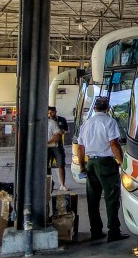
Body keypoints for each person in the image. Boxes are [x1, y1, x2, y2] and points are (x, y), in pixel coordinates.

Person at [77, 97, 129, 242]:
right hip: (105, 163)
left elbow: (81, 147)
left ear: (94, 108)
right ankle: (113, 231)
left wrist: (82, 166)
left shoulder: (86, 124)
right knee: (111, 197)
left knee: (92, 199)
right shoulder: (109, 122)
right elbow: (113, 144)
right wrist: (122, 163)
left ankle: (95, 231)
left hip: (91, 163)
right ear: (108, 108)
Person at [47, 106, 68, 191]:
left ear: (55, 112)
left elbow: (64, 132)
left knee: (61, 164)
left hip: (57, 146)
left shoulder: (61, 120)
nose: (50, 114)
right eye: (48, 113)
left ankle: (62, 184)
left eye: (51, 112)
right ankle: (49, 184)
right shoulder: (47, 121)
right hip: (47, 148)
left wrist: (49, 141)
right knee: (47, 166)